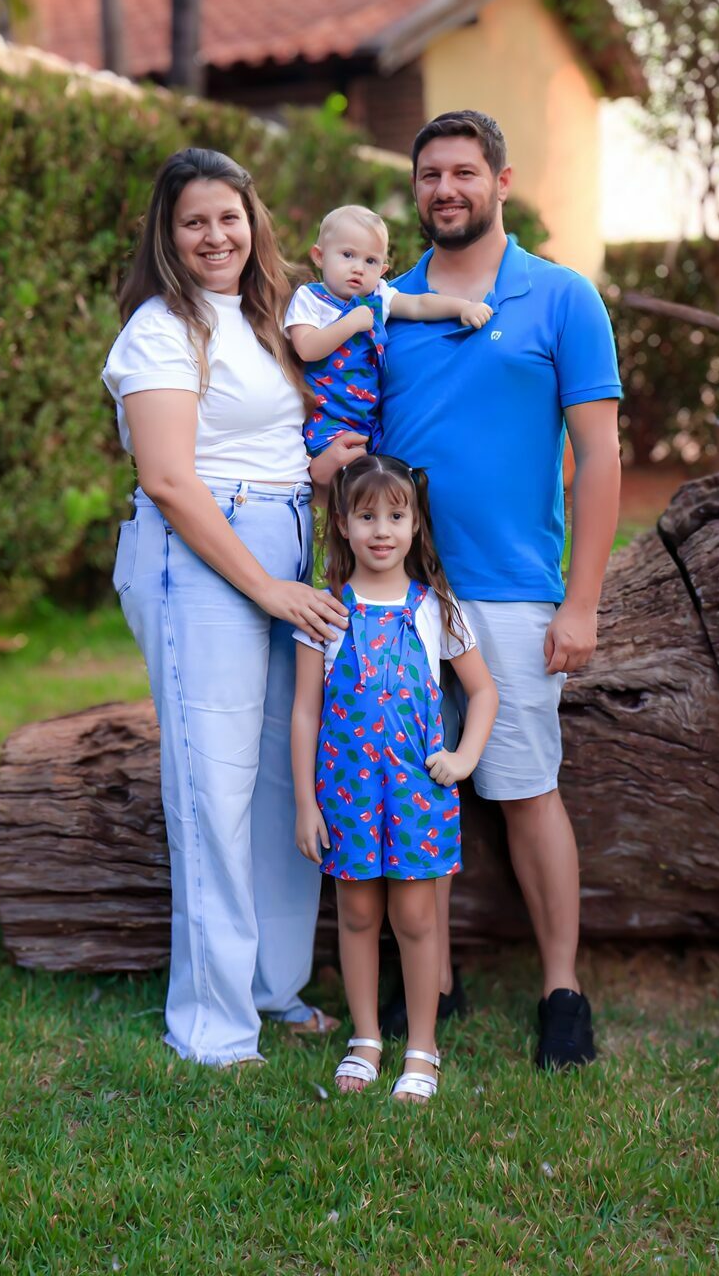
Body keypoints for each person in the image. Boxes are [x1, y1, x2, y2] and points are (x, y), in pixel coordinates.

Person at [310, 111, 623, 1071]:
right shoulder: (385, 306)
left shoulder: (563, 297)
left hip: (514, 590)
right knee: (410, 779)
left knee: (525, 788)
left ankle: (562, 990)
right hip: (395, 596)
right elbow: (345, 425)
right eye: (430, 175)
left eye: (464, 172)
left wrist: (581, 603)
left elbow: (601, 455)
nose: (446, 189)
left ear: (501, 182)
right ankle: (431, 981)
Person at [102, 148, 348, 1068]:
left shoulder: (265, 316)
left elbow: (275, 440)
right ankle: (212, 1024)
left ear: (254, 223)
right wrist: (267, 587)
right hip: (201, 564)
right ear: (167, 235)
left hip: (285, 544)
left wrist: (322, 473)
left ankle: (271, 986)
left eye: (229, 217)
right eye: (194, 221)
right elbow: (170, 478)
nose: (216, 237)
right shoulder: (159, 331)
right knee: (214, 787)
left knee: (286, 775)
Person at [291, 455, 498, 1102]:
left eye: (395, 516)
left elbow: (484, 693)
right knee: (356, 913)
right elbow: (305, 713)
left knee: (414, 916)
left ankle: (422, 1047)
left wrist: (463, 759)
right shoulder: (326, 612)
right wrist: (305, 805)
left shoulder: (437, 609)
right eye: (366, 516)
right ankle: (365, 1039)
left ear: (414, 526)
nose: (381, 530)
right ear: (342, 525)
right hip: (345, 793)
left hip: (416, 795)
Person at [283, 205, 494, 457]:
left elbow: (419, 304)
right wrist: (350, 323)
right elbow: (307, 348)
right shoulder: (310, 298)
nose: (358, 268)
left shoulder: (378, 297)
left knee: (381, 472)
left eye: (370, 261)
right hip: (324, 419)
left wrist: (463, 308)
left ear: (382, 270)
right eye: (348, 255)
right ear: (319, 256)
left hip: (369, 421)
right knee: (349, 471)